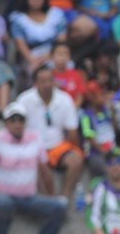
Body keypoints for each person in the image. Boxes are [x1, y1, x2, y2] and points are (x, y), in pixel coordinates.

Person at [0, 103, 68, 234]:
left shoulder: (35, 138)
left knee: (60, 206)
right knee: (4, 203)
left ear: (25, 122)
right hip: (1, 196)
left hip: (28, 197)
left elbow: (45, 172)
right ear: (6, 123)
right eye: (12, 120)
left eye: (20, 120)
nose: (17, 124)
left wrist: (52, 197)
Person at [17, 65, 84, 203]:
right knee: (37, 167)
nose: (47, 84)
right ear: (35, 83)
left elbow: (72, 132)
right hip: (33, 147)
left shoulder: (65, 99)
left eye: (50, 80)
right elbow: (17, 129)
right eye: (43, 81)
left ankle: (64, 199)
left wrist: (75, 150)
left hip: (57, 147)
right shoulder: (24, 100)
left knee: (76, 160)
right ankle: (49, 203)